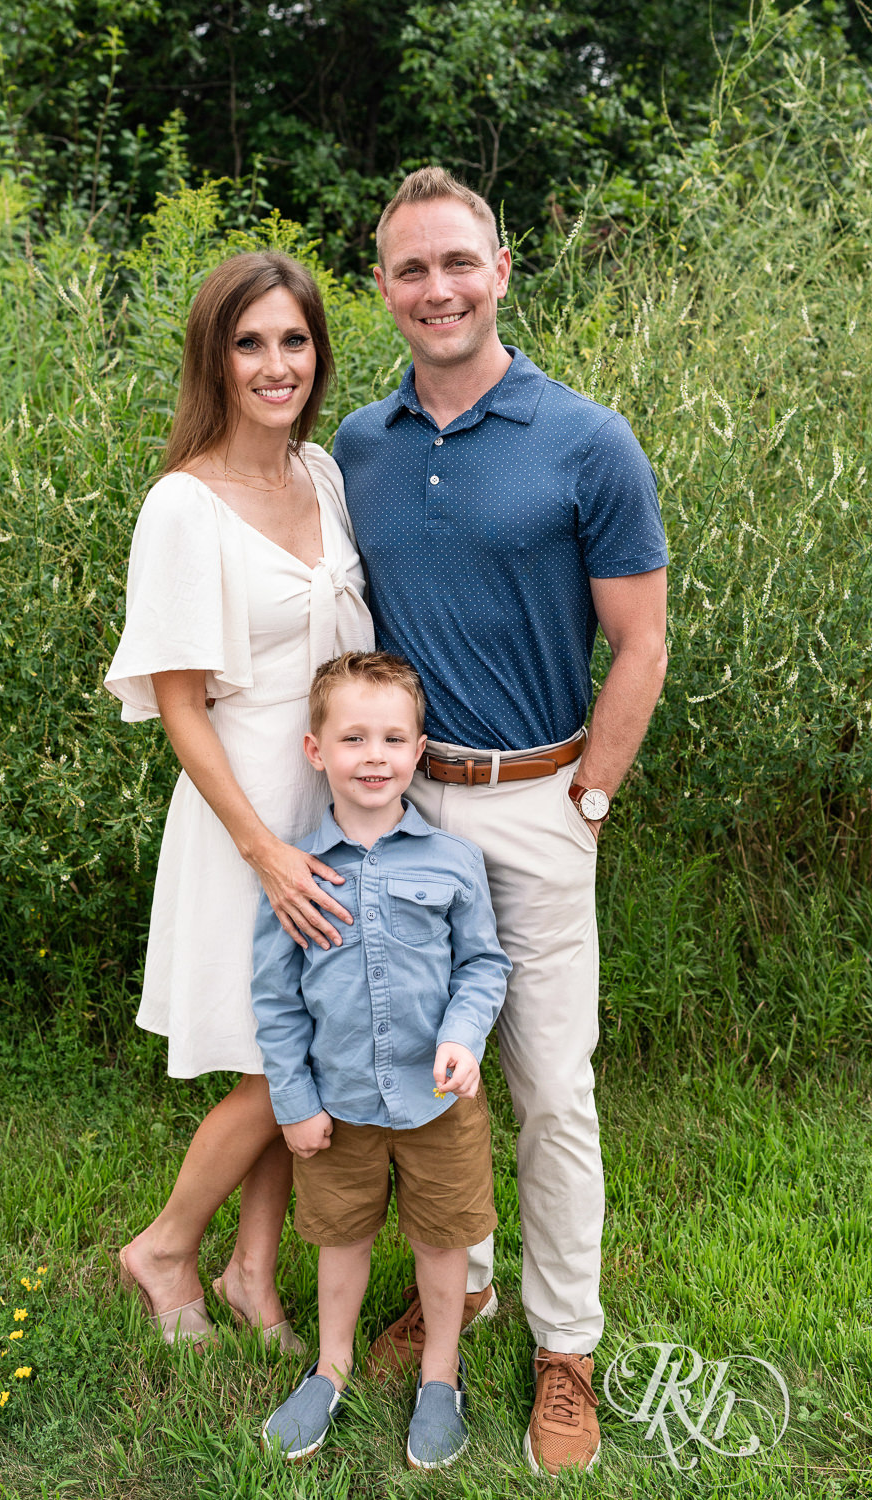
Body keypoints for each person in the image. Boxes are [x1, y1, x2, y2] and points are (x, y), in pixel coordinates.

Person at [332, 167, 669, 1475]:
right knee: (426, 1077)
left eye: (457, 262)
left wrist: (587, 800)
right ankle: (456, 1290)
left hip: (537, 803)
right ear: (384, 291)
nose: (437, 289)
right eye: (411, 270)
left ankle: (565, 1349)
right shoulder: (361, 444)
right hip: (404, 813)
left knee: (551, 1085)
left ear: (503, 268)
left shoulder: (587, 440)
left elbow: (638, 641)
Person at [104, 252, 374, 1354]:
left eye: (294, 341)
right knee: (282, 1060)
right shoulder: (183, 504)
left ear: (316, 353)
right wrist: (261, 847)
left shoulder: (322, 474)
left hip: (337, 809)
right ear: (214, 358)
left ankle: (252, 1273)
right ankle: (164, 1245)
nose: (276, 365)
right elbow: (179, 705)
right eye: (250, 342)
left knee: (297, 1051)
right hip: (244, 817)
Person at [252, 651, 509, 1468]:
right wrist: (293, 1101)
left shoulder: (450, 862)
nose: (373, 756)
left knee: (442, 1240)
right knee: (342, 1237)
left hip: (437, 1103)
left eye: (392, 738)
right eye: (353, 737)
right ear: (315, 751)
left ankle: (440, 1375)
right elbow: (276, 998)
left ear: (418, 750)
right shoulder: (295, 873)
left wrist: (463, 1037)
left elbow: (482, 964)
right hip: (340, 1105)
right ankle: (330, 1369)